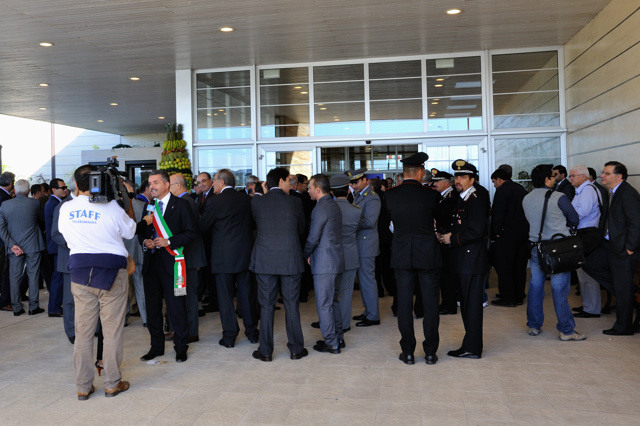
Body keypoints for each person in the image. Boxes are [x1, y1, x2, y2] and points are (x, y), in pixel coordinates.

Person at [58, 164, 143, 400]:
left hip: (80, 272)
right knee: (112, 329)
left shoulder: (66, 208)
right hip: (112, 271)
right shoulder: (112, 207)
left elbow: (64, 235)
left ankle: (83, 386)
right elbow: (130, 231)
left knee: (83, 332)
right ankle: (112, 383)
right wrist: (127, 200)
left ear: (76, 184)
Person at [385, 153, 442, 366]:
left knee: (404, 304)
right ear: (420, 172)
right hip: (427, 254)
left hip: (401, 254)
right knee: (430, 304)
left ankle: (408, 352)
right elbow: (440, 223)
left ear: (404, 172)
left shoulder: (390, 195)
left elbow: (387, 225)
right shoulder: (431, 194)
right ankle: (430, 352)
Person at [139, 170, 198, 363]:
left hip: (173, 264)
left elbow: (191, 233)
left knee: (176, 307)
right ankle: (156, 347)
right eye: (150, 183)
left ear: (166, 184)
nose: (152, 186)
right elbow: (142, 232)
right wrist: (146, 241)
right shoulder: (149, 206)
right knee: (152, 308)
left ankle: (181, 348)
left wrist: (169, 241)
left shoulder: (181, 205)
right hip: (151, 265)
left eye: (155, 182)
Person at [523, 164, 585, 341]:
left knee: (535, 286)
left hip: (536, 247)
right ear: (546, 179)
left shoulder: (526, 198)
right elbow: (574, 219)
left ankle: (534, 325)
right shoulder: (559, 197)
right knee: (559, 289)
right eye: (552, 176)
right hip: (558, 249)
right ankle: (566, 330)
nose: (555, 179)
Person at [250, 167, 306, 362]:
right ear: (281, 181)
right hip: (290, 258)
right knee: (291, 304)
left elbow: (254, 226)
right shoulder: (295, 202)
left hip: (265, 259)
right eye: (289, 181)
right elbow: (301, 229)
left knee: (266, 306)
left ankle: (265, 351)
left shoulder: (257, 202)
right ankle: (296, 349)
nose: (291, 184)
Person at [199, 169, 259, 348]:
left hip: (223, 257)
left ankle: (230, 336)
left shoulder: (214, 202)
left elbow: (203, 226)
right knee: (246, 295)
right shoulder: (246, 199)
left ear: (222, 182)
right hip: (244, 254)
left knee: (225, 298)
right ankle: (252, 332)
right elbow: (253, 224)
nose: (213, 184)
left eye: (214, 180)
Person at [438, 160, 489, 359]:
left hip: (471, 260)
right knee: (467, 305)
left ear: (472, 180)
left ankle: (473, 348)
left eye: (463, 177)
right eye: (456, 176)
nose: (458, 180)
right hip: (464, 260)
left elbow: (477, 230)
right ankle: (470, 345)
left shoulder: (475, 199)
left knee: (471, 306)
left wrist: (452, 238)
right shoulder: (463, 198)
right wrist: (446, 235)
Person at [303, 174, 344, 355]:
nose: (308, 190)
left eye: (310, 187)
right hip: (337, 260)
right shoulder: (334, 205)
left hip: (324, 263)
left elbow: (313, 238)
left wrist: (306, 253)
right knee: (333, 302)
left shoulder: (320, 209)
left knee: (324, 304)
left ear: (318, 189)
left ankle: (331, 343)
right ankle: (338, 338)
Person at [600, 161, 640, 335]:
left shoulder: (627, 193)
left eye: (606, 173)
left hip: (623, 251)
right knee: (591, 264)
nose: (602, 175)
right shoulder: (614, 192)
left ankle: (623, 327)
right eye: (603, 172)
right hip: (612, 246)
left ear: (619, 177)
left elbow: (636, 223)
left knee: (623, 289)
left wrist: (629, 248)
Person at [0, 179, 46, 316]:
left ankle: (16, 307)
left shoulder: (5, 205)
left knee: (14, 277)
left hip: (14, 247)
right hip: (33, 245)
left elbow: (1, 228)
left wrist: (12, 244)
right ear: (29, 190)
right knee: (33, 275)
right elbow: (42, 220)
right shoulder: (35, 203)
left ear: (15, 190)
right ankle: (33, 307)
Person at [170, 173, 206, 341]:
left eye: (170, 184)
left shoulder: (185, 202)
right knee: (182, 294)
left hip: (189, 257)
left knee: (189, 296)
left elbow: (190, 232)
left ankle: (191, 332)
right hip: (186, 256)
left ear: (178, 186)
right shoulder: (186, 200)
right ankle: (184, 330)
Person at [489, 167, 529, 307]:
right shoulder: (521, 189)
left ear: (500, 179)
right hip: (522, 235)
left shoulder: (502, 191)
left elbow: (498, 213)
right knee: (519, 267)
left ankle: (508, 297)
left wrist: (496, 232)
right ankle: (519, 295)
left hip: (506, 235)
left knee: (505, 267)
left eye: (494, 182)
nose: (494, 185)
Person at [568, 165, 603, 319]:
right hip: (583, 234)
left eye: (573, 176)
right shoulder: (581, 190)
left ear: (583, 176)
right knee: (582, 272)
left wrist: (567, 217)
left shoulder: (588, 190)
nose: (570, 178)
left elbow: (582, 212)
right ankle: (588, 305)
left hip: (587, 235)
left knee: (587, 273)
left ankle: (592, 309)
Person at [327, 174, 360, 333]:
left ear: (332, 192)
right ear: (348, 191)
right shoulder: (356, 210)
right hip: (350, 254)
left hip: (331, 255)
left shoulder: (327, 209)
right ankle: (344, 324)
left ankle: (330, 323)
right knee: (346, 292)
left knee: (330, 292)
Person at [349, 168, 381, 327]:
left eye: (356, 182)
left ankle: (373, 315)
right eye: (352, 183)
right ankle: (368, 310)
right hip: (359, 243)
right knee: (363, 281)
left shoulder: (372, 197)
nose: (354, 186)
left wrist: (349, 222)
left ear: (365, 180)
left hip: (366, 244)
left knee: (367, 280)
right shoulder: (358, 196)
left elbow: (369, 222)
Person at [50, 177, 78, 343]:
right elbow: (55, 234)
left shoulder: (92, 203)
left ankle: (94, 328)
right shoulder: (62, 206)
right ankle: (71, 331)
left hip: (89, 258)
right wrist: (74, 244)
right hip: (69, 258)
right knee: (69, 299)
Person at [432, 169, 458, 316]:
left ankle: (450, 305)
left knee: (448, 275)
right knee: (444, 274)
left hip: (448, 240)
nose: (434, 184)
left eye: (437, 181)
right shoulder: (441, 196)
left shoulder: (453, 196)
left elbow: (449, 219)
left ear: (446, 182)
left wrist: (441, 231)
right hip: (441, 238)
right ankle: (446, 303)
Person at [44, 178, 69, 317]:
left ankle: (55, 307)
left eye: (66, 187)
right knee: (58, 278)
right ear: (54, 190)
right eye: (62, 188)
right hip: (57, 245)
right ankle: (54, 308)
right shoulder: (54, 204)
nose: (65, 189)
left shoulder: (56, 203)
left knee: (58, 277)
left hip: (56, 245)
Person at [0, 171, 16, 311]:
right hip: (4, 240)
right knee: (6, 272)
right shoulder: (5, 198)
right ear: (11, 183)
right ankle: (5, 301)